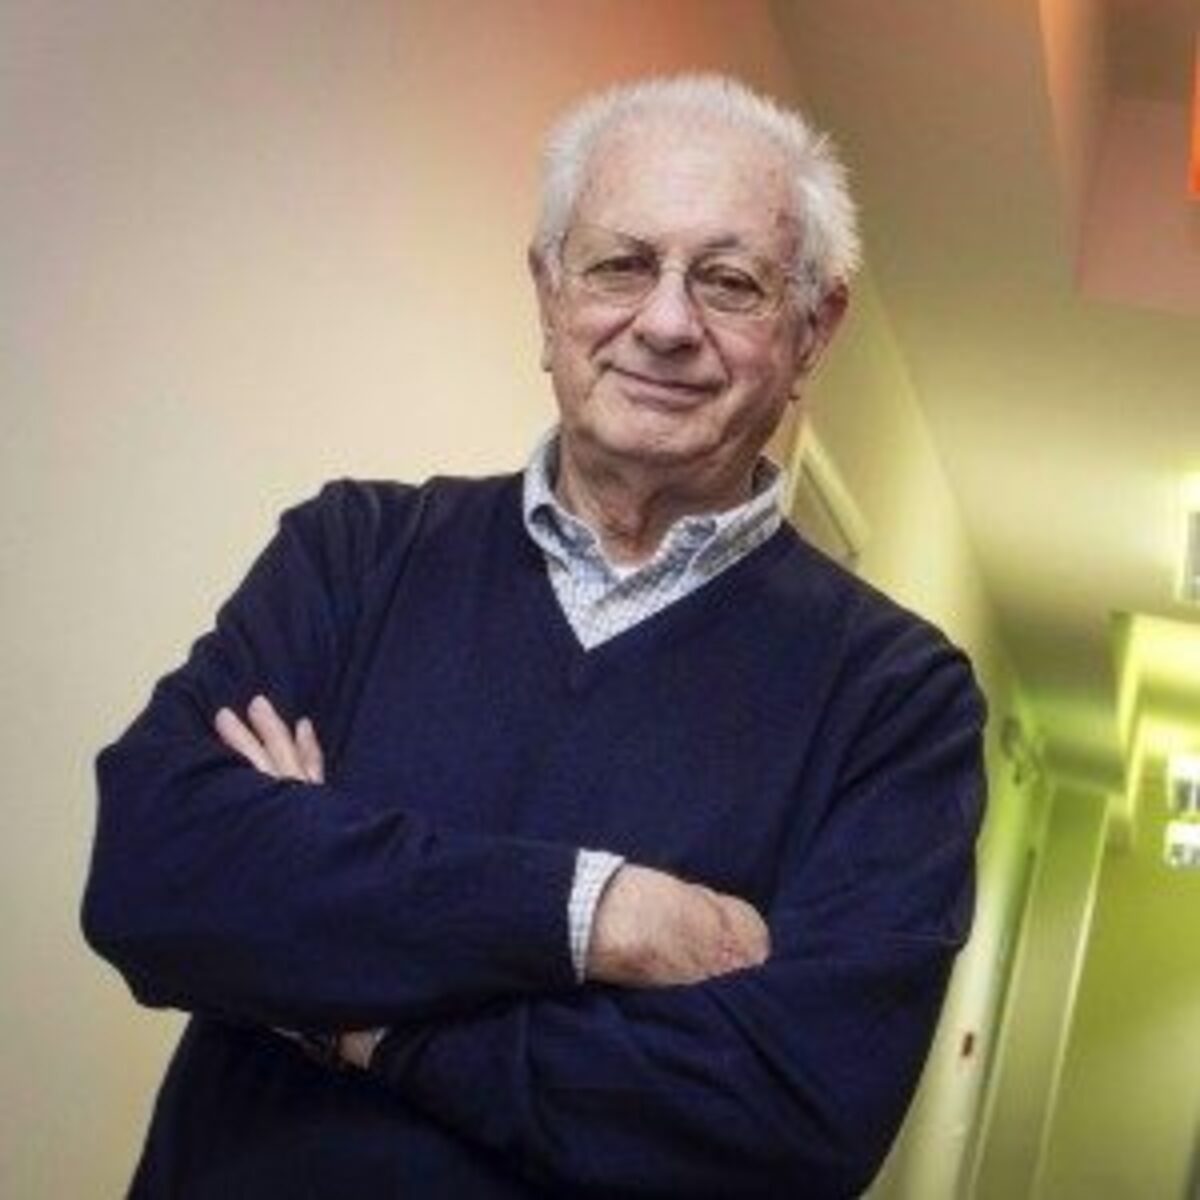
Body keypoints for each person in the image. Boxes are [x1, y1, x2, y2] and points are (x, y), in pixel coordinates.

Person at [83, 74, 986, 1198]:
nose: (666, 324)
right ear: (548, 292)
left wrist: (348, 1002)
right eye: (621, 265)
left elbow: (786, 1127)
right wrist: (597, 914)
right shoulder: (356, 552)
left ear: (813, 331)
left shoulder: (898, 701)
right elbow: (153, 876)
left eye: (729, 282)